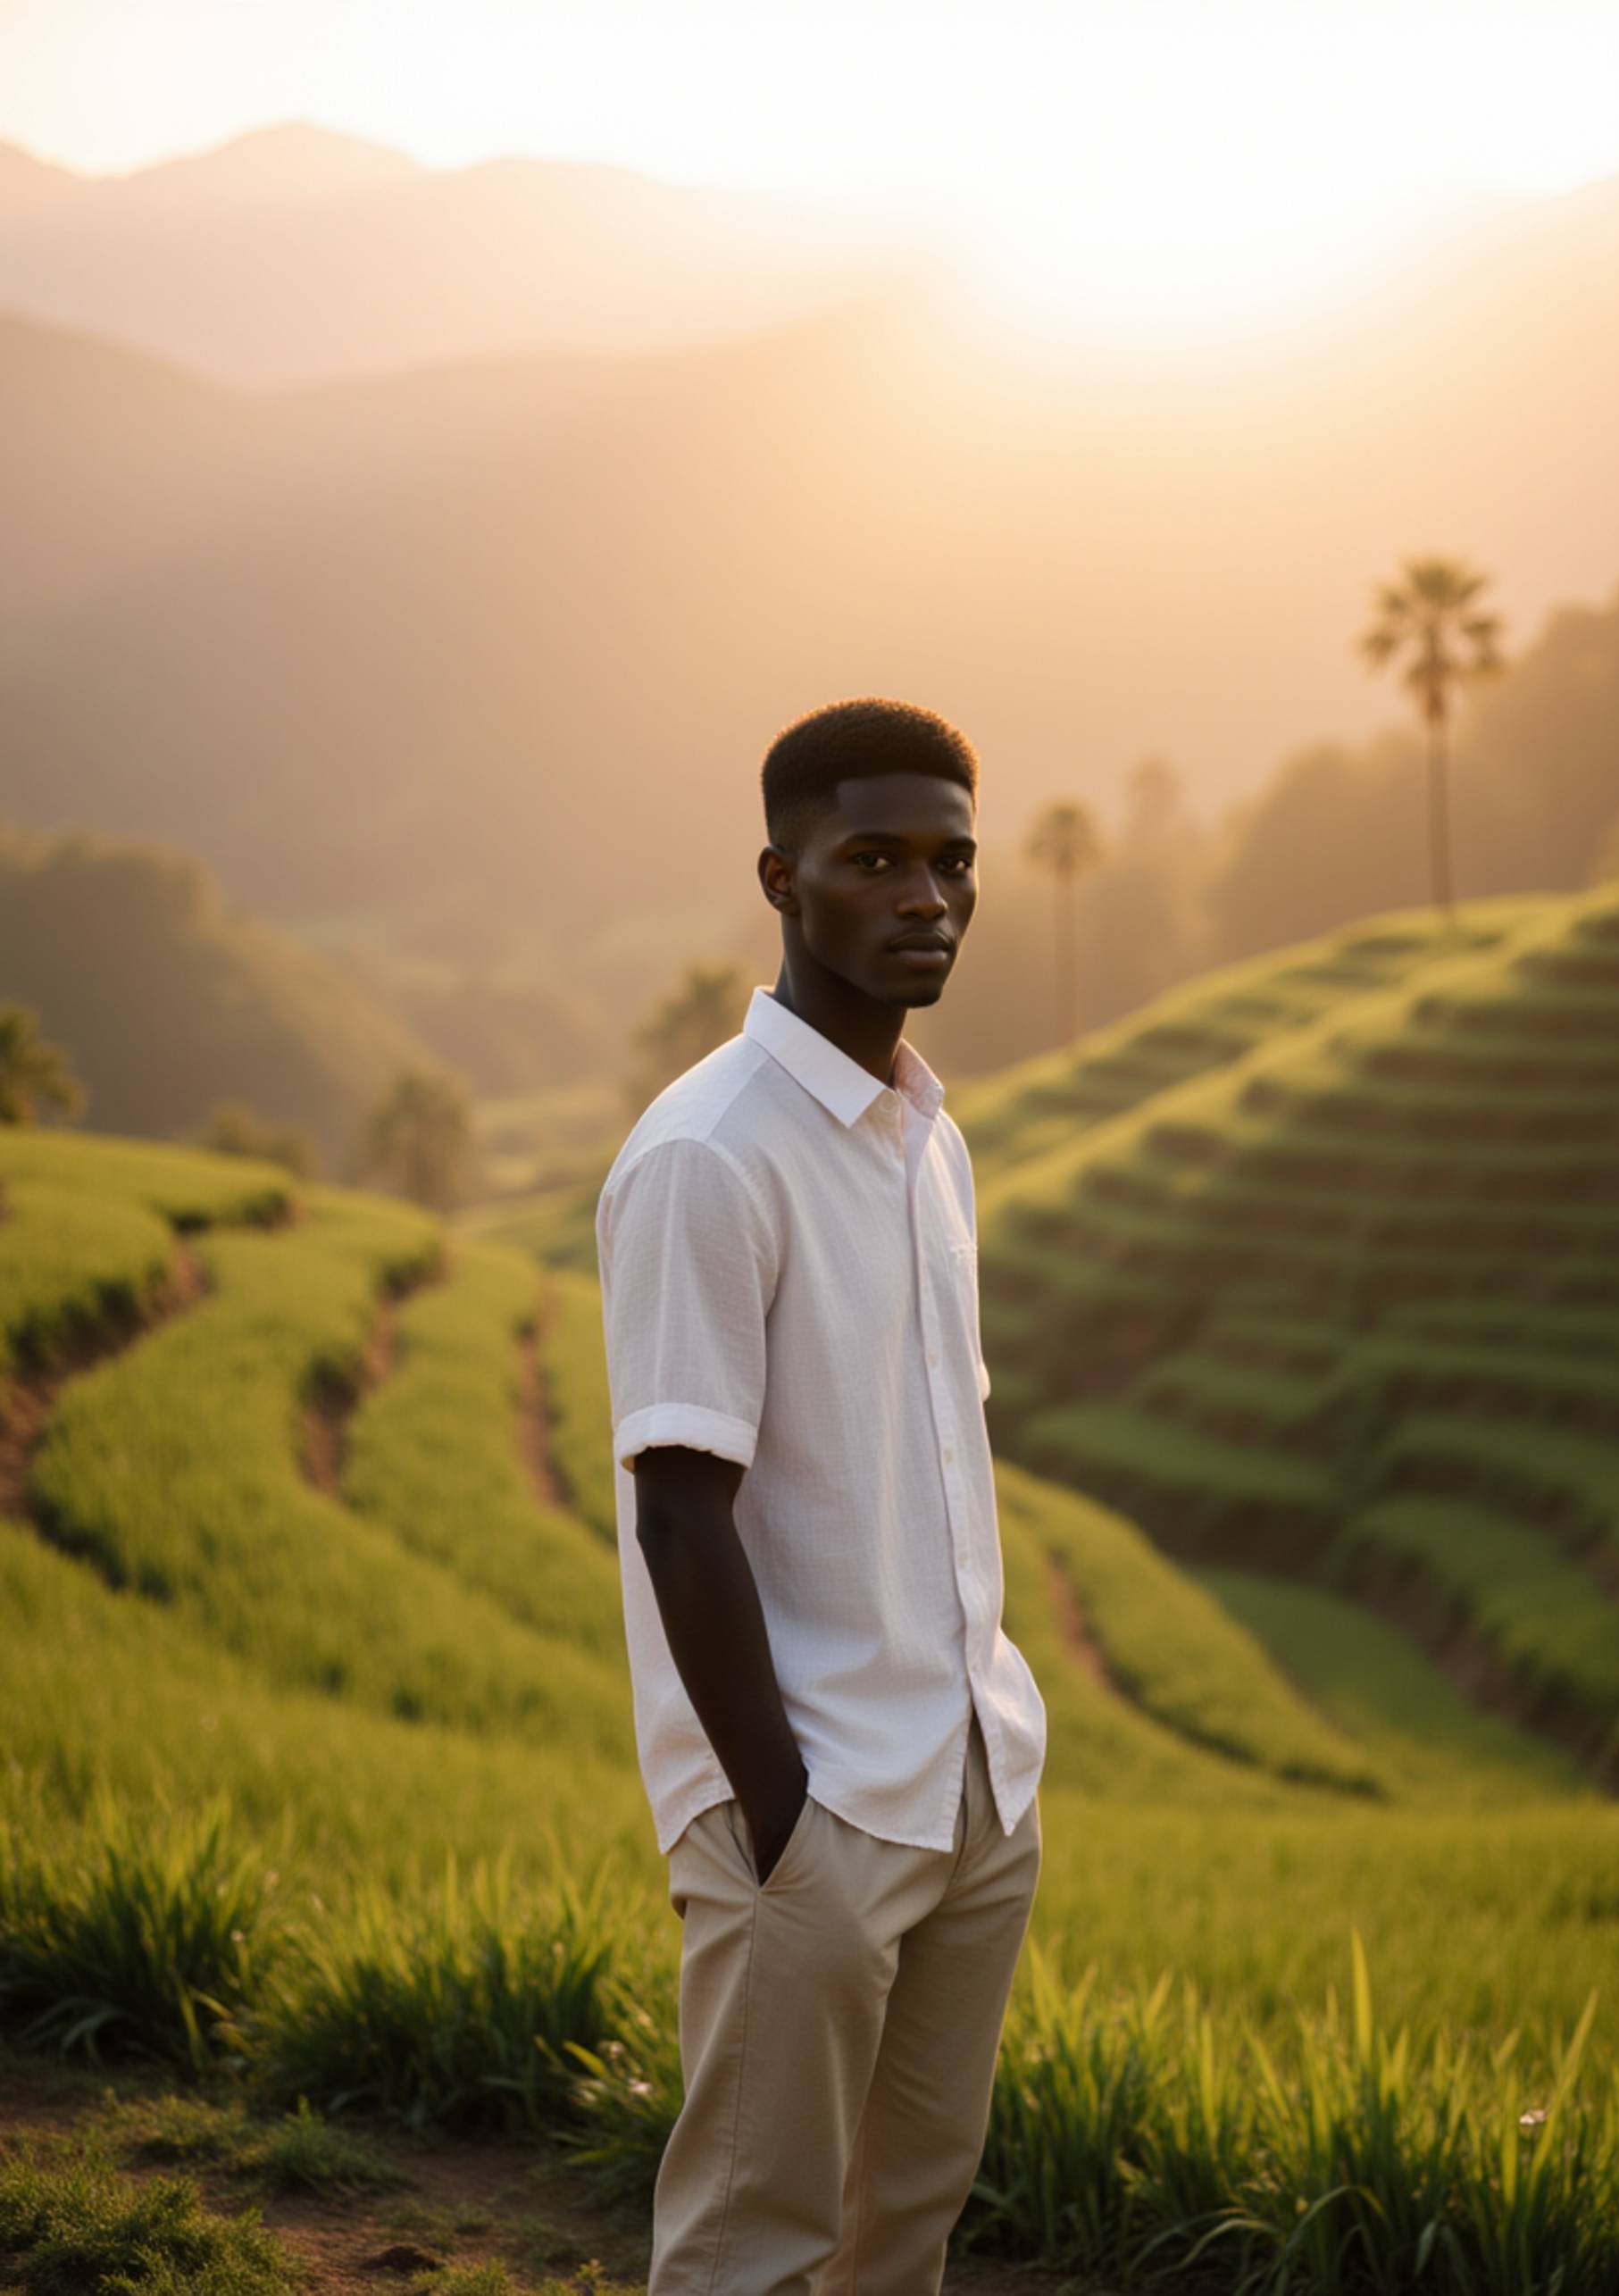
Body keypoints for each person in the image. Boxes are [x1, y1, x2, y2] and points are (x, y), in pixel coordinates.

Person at [595, 696, 1048, 2296]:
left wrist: (998, 1744)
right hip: (817, 1811)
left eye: (951, 859)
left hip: (969, 1783)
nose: (926, 897)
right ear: (780, 878)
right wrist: (784, 1826)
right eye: (875, 858)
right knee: (750, 2254)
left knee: (899, 2242)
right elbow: (677, 1512)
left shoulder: (931, 1138)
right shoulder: (708, 1157)